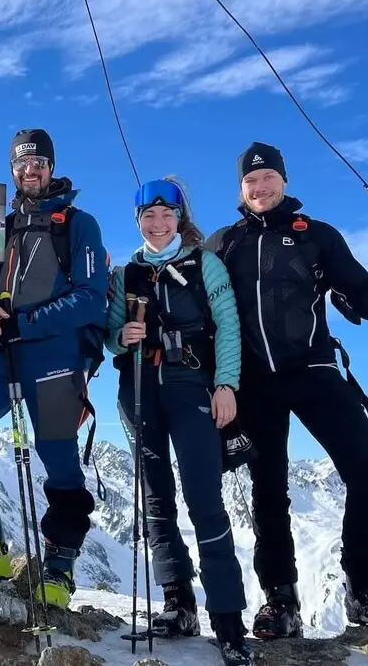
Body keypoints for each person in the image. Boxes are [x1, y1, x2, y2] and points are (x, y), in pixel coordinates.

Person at [203, 142, 368, 639]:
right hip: (254, 381)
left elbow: (357, 287)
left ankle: (366, 591)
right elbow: (201, 306)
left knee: (366, 470)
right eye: (250, 181)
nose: (260, 187)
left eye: (268, 178)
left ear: (283, 181)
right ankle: (280, 599)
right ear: (241, 189)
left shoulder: (316, 236)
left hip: (313, 369)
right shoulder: (224, 243)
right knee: (268, 491)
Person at [0, 128, 108, 609]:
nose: (31, 171)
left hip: (56, 357)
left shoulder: (78, 224)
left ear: (51, 168)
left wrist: (26, 323)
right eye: (22, 164)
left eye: (39, 164)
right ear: (13, 170)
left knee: (59, 460)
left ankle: (60, 564)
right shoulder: (4, 225)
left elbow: (91, 298)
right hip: (7, 354)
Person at [105, 176, 253, 665]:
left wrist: (226, 384)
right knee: (155, 499)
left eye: (167, 214)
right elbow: (109, 335)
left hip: (192, 385)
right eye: (149, 215)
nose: (158, 222)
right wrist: (121, 335)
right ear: (139, 221)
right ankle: (178, 605)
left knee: (205, 498)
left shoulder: (204, 263)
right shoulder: (126, 274)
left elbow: (228, 325)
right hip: (140, 389)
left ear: (180, 217)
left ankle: (229, 621)